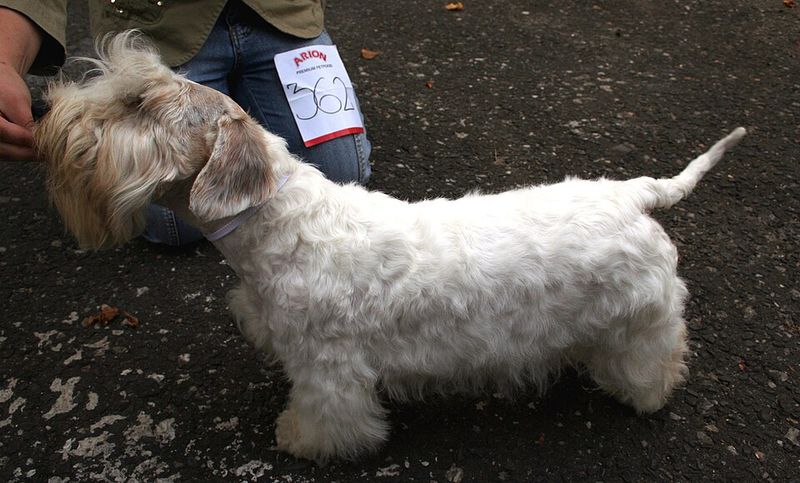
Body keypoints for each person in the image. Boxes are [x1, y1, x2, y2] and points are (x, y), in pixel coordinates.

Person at [0, 0, 371, 245]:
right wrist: (4, 58)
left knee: (341, 172)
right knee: (176, 227)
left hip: (279, 13)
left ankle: (234, 99)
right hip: (159, 23)